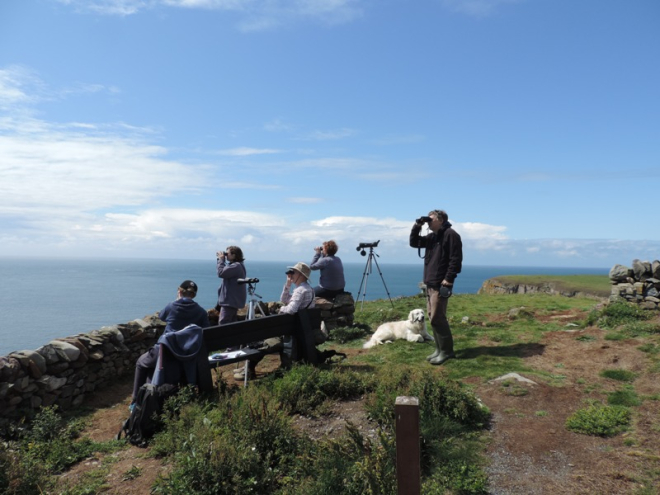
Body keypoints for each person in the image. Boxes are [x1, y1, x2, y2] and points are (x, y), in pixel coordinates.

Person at [131, 280, 210, 408]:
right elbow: (206, 330)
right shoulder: (201, 311)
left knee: (141, 363)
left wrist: (177, 300)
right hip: (187, 353)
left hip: (165, 350)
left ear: (179, 291)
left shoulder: (172, 306)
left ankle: (135, 400)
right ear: (194, 295)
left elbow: (162, 316)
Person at [233, 262, 315, 381]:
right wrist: (287, 285)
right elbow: (284, 299)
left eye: (293, 272)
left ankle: (249, 369)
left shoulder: (300, 290)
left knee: (264, 341)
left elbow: (291, 309)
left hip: (292, 332)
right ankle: (247, 367)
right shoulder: (309, 289)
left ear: (301, 275)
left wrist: (281, 309)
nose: (290, 274)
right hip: (301, 329)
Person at [410, 210, 463, 365]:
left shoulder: (451, 234)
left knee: (438, 318)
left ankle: (447, 351)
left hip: (441, 283)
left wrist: (449, 278)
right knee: (433, 318)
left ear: (440, 220)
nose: (428, 222)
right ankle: (439, 349)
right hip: (431, 283)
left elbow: (456, 259)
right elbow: (414, 243)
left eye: (431, 219)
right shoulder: (433, 237)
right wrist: (416, 226)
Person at [216, 246, 247, 324]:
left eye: (228, 253)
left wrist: (221, 260)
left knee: (223, 323)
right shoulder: (238, 265)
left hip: (229, 302)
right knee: (231, 324)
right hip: (232, 301)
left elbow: (221, 273)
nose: (226, 255)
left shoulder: (236, 266)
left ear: (234, 255)